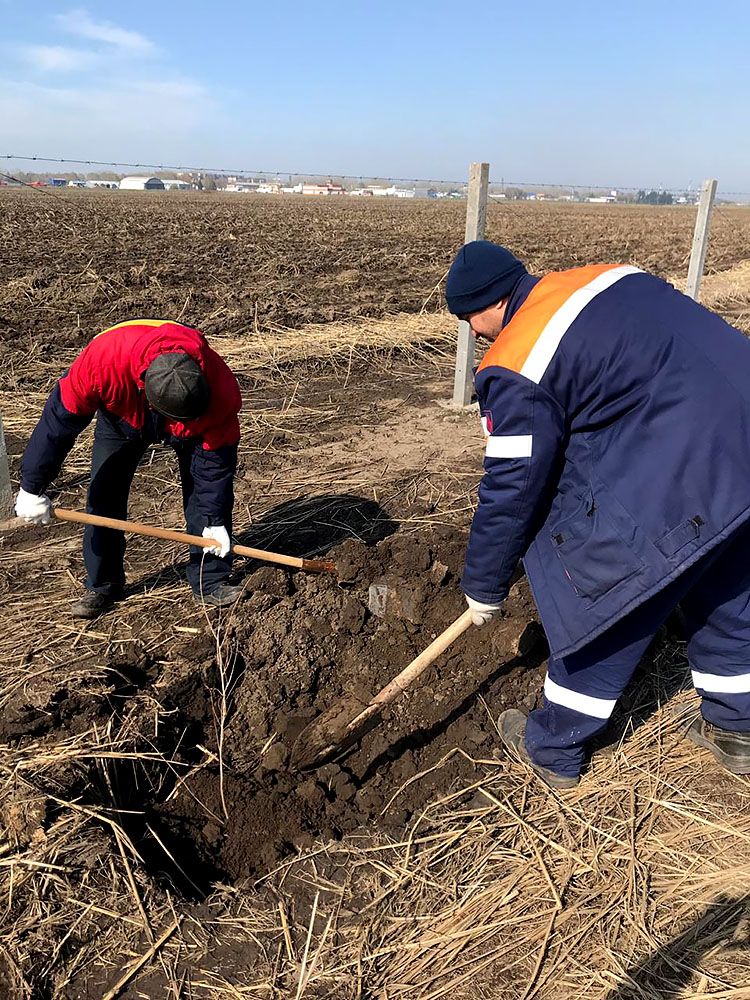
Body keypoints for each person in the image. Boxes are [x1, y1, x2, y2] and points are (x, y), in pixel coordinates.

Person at [446, 241, 750, 788]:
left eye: (470, 318)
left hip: (691, 456)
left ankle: (553, 746)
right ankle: (738, 728)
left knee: (619, 589)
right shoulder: (606, 278)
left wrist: (485, 582)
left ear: (492, 303)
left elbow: (513, 484)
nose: (472, 332)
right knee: (728, 576)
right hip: (740, 431)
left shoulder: (515, 359)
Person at [15, 319, 244, 618]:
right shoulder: (102, 362)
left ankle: (210, 579)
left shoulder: (219, 393)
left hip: (197, 430)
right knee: (103, 497)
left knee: (206, 504)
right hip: (123, 415)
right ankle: (102, 585)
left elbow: (214, 471)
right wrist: (32, 486)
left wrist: (213, 521)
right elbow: (57, 424)